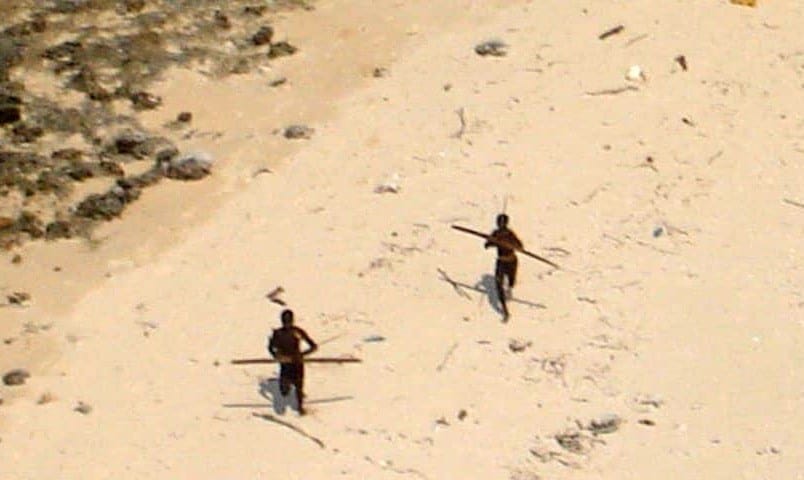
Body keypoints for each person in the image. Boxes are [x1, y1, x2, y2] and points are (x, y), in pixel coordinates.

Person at [268, 309, 318, 415]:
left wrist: (302, 355)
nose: (287, 324)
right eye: (285, 321)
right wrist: (277, 356)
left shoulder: (298, 332)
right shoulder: (277, 333)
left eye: (289, 321)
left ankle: (300, 407)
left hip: (297, 364)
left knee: (299, 387)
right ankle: (286, 388)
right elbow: (271, 348)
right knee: (284, 391)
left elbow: (313, 346)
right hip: (285, 365)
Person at [484, 214, 523, 321]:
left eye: (502, 222)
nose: (500, 224)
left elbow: (520, 246)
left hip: (511, 261)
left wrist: (511, 245)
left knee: (511, 282)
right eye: (498, 222)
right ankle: (505, 310)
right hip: (501, 261)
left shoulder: (510, 234)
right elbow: (486, 245)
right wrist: (493, 242)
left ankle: (509, 288)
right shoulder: (495, 233)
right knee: (498, 283)